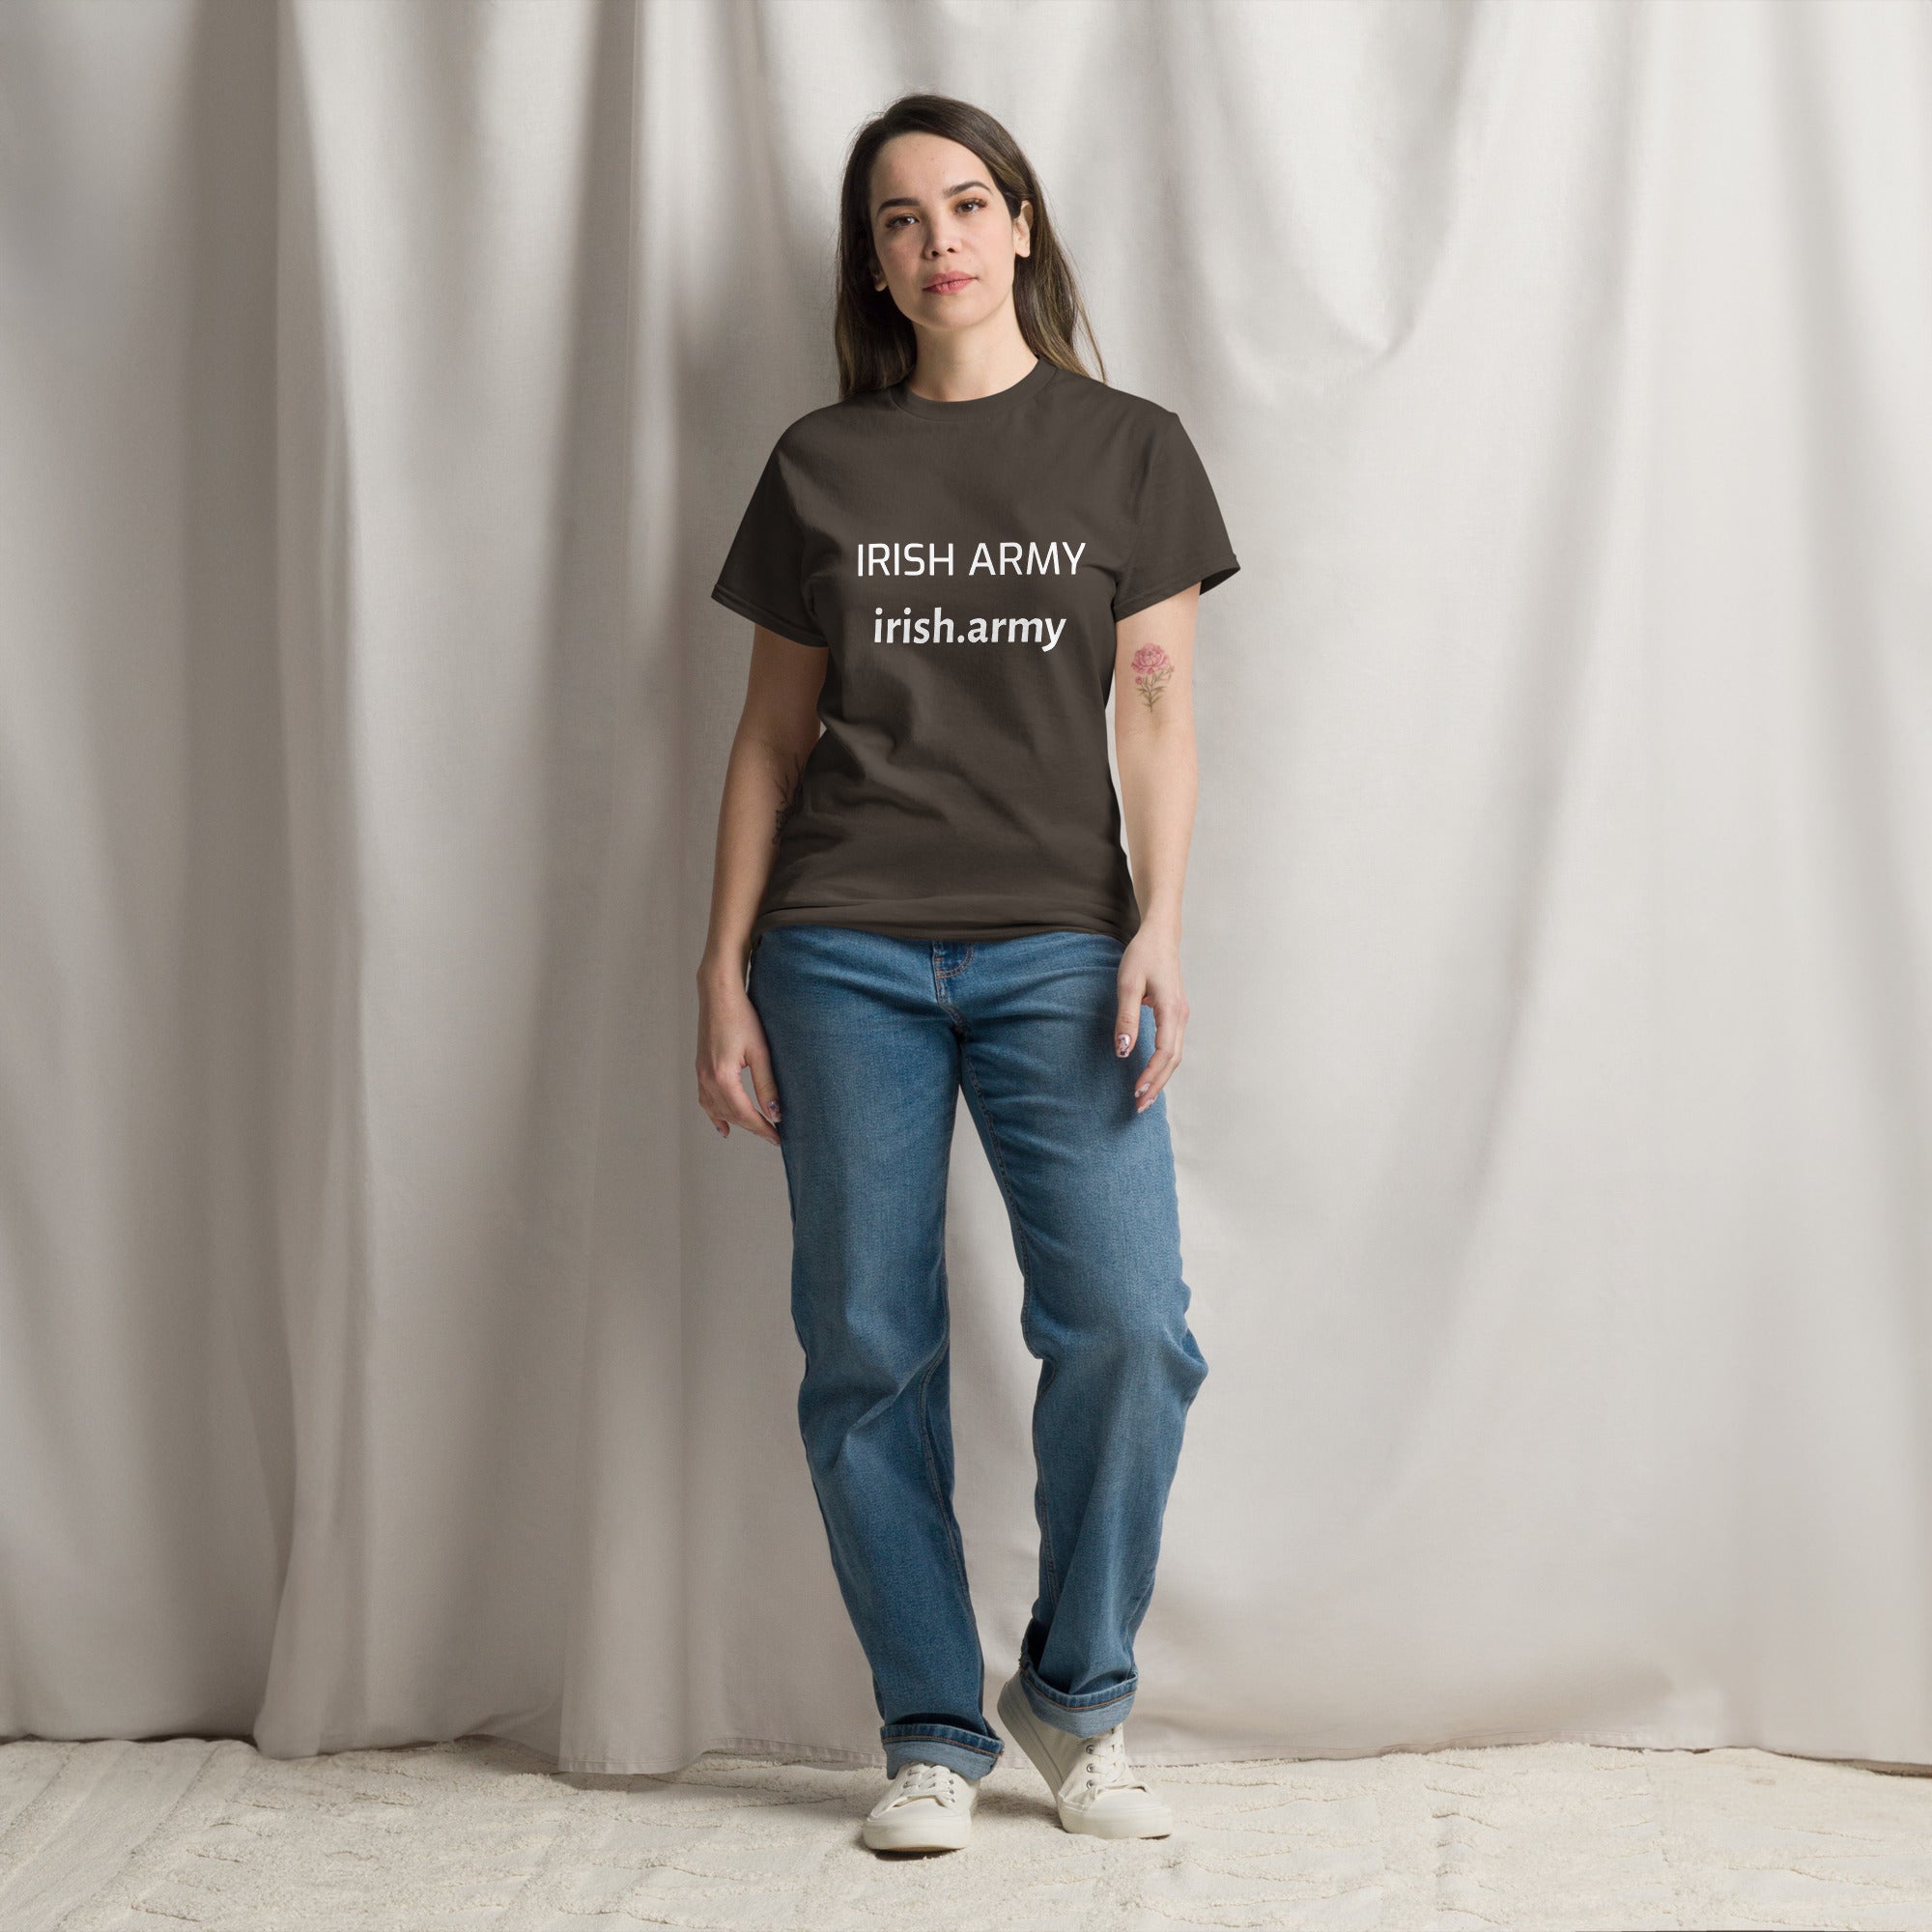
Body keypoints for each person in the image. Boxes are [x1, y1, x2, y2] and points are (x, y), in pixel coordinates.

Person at [696, 91, 1238, 1857]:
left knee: (1132, 1336)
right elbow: (771, 744)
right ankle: (931, 1725)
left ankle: (1072, 1698)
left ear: (1022, 226)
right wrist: (723, 974)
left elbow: (1153, 711)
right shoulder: (821, 465)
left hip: (1060, 951)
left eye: (967, 205)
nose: (938, 242)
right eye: (900, 221)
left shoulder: (1130, 451)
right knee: (864, 1345)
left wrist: (1160, 920)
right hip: (839, 950)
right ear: (877, 263)